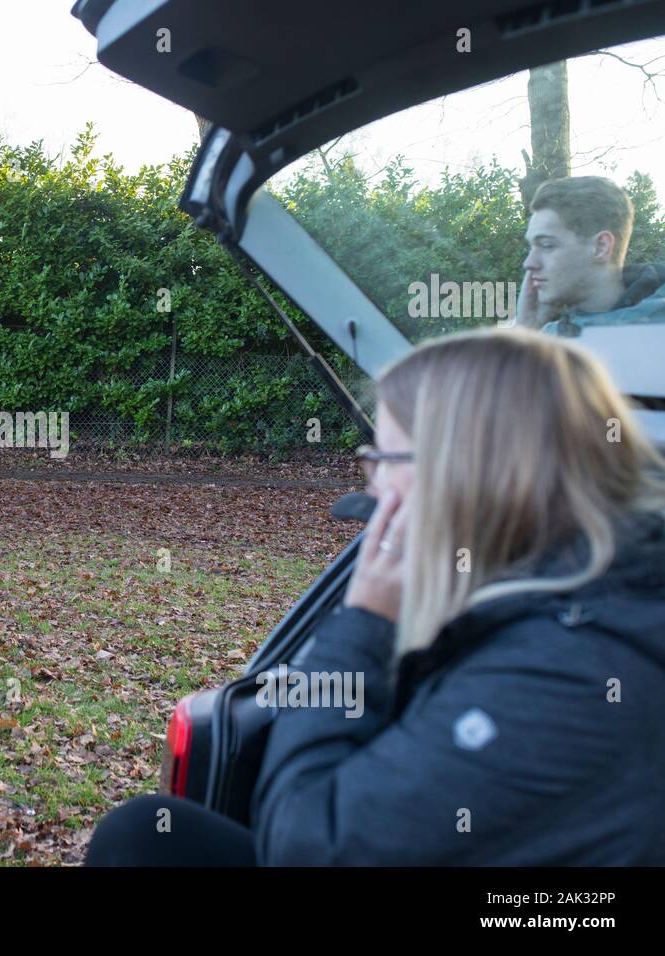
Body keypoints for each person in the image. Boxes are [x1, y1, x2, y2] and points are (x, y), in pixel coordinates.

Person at [86, 326, 665, 865]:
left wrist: (362, 622)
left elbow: (307, 844)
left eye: (384, 458)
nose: (370, 482)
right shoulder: (582, 597)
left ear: (467, 472)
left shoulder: (565, 672)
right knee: (147, 836)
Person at [515, 175, 665, 334]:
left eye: (547, 245)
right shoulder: (551, 337)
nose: (529, 263)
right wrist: (527, 331)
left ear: (601, 247)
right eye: (531, 247)